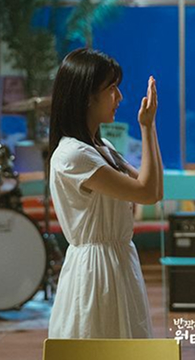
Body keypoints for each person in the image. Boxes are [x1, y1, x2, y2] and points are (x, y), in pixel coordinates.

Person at [48, 48, 163, 339]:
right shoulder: (74, 155)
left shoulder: (102, 149)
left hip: (117, 261)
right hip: (95, 270)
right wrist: (146, 127)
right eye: (111, 88)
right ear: (87, 96)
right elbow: (147, 192)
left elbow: (154, 189)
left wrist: (150, 127)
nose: (119, 97)